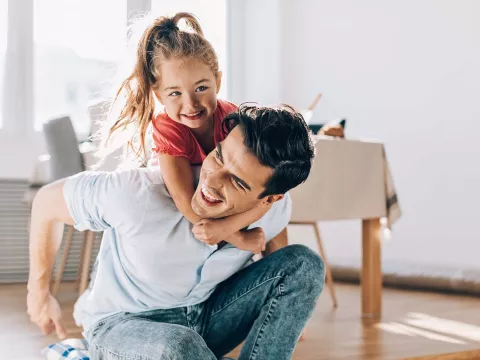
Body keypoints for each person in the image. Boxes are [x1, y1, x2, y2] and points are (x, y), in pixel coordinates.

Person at [27, 104, 325, 360]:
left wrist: (287, 308)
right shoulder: (137, 193)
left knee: (305, 263)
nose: (212, 181)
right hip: (121, 325)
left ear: (270, 198)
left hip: (206, 318)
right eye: (219, 156)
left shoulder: (275, 208)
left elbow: (280, 244)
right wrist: (38, 295)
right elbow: (44, 203)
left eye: (238, 182)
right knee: (180, 346)